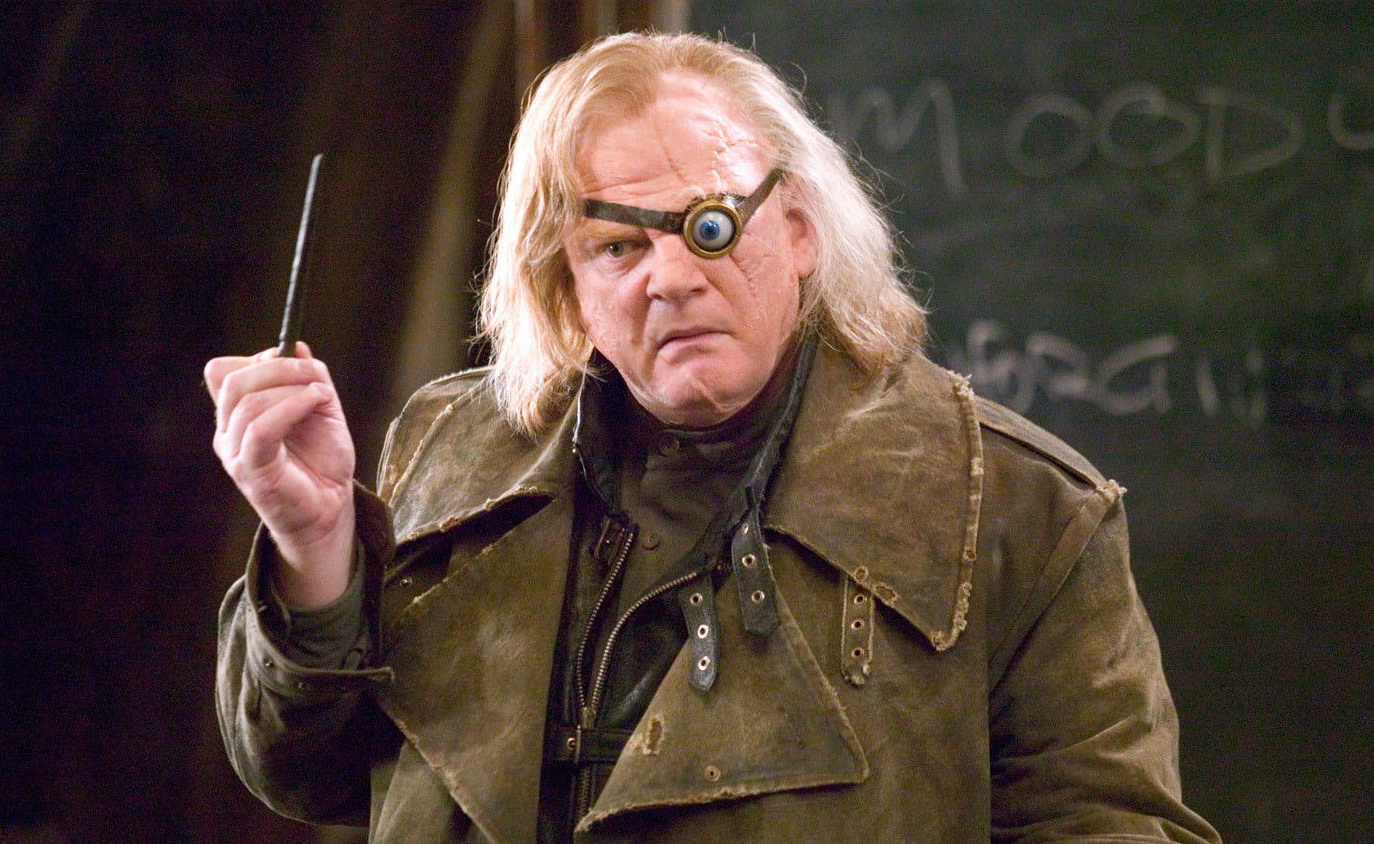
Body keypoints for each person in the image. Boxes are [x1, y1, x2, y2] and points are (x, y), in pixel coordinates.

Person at [208, 32, 1219, 843]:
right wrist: (316, 550)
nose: (672, 279)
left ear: (799, 231)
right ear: (568, 290)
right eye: (616, 246)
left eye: (709, 226)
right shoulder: (452, 456)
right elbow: (307, 777)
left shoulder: (1015, 512)